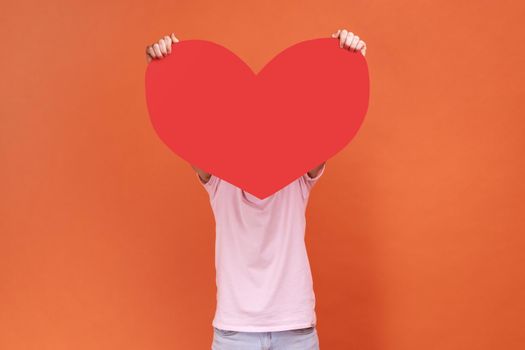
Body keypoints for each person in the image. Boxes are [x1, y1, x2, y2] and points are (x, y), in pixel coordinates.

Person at [145, 29, 366, 350]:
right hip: (235, 331)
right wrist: (164, 66)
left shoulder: (299, 173)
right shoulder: (217, 175)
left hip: (295, 328)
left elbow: (331, 120)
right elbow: (181, 123)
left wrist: (346, 59)